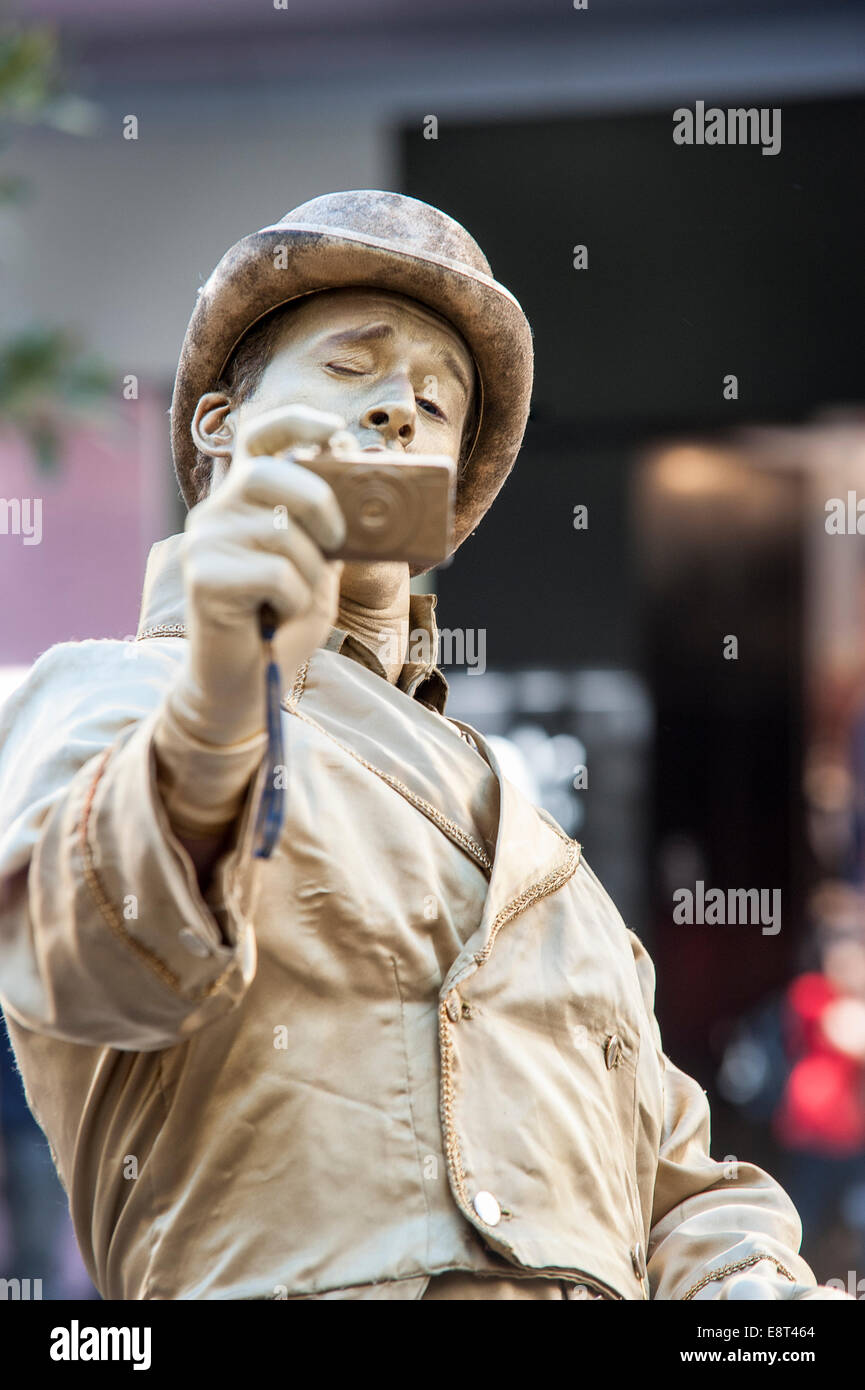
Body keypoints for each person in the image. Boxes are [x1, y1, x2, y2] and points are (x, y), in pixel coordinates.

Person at [0, 190, 848, 1300]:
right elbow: (98, 961)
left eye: (436, 403)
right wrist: (220, 702)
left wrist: (752, 1291)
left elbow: (676, 1177)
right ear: (220, 424)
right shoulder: (114, 692)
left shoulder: (538, 843)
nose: (401, 408)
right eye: (351, 370)